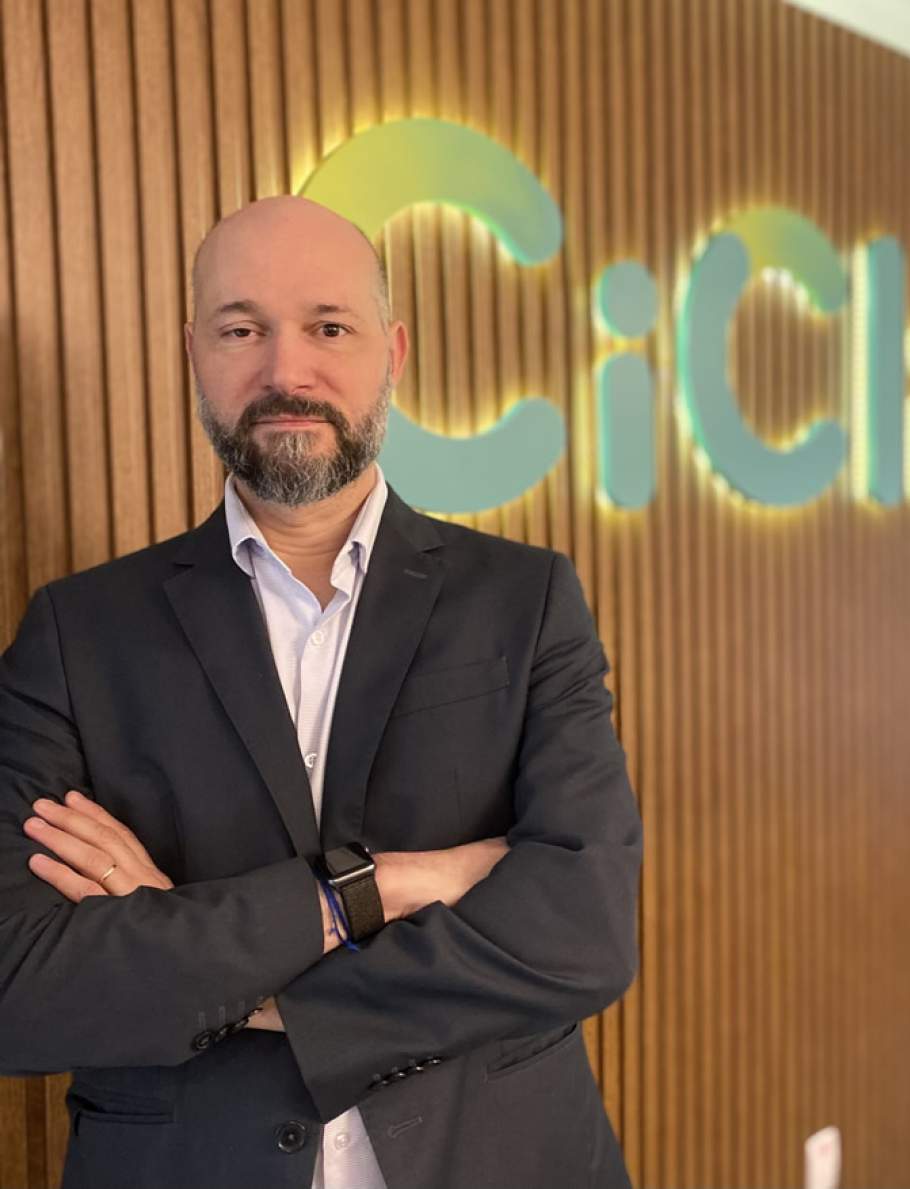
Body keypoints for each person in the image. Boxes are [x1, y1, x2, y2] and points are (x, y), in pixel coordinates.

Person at [0, 195, 642, 1189]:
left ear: (393, 352)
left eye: (328, 327)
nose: (285, 372)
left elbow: (584, 932)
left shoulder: (525, 602)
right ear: (194, 354)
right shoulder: (78, 634)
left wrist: (217, 967)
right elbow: (21, 987)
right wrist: (381, 888)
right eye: (241, 329)